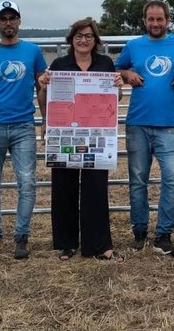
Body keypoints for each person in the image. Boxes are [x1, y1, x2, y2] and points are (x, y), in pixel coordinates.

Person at [38, 17, 124, 261]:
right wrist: (44, 86)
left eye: (88, 36)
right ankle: (66, 243)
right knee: (63, 186)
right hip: (66, 134)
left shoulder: (106, 64)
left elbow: (114, 100)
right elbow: (45, 100)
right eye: (79, 36)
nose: (83, 40)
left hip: (96, 136)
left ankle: (97, 244)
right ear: (71, 39)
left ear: (95, 40)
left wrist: (118, 86)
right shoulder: (59, 64)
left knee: (96, 187)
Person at [115, 0, 174, 256]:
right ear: (145, 20)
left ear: (168, 20)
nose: (155, 23)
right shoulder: (133, 45)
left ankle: (164, 234)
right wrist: (128, 76)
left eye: (160, 19)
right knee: (138, 181)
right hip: (137, 123)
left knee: (171, 178)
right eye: (151, 19)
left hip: (168, 126)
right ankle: (139, 230)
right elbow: (118, 70)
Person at [0, 0, 47, 260]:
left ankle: (21, 235)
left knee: (26, 182)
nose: (8, 23)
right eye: (3, 18)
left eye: (12, 17)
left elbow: (41, 88)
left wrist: (46, 119)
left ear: (19, 20)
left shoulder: (33, 51)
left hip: (24, 125)